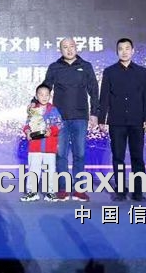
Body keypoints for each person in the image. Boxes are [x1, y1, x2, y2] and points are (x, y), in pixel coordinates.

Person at [43, 37, 99, 201]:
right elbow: (46, 87)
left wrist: (95, 113)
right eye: (65, 47)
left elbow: (94, 91)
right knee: (60, 154)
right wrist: (35, 103)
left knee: (79, 154)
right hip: (59, 118)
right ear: (60, 50)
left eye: (71, 46)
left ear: (76, 47)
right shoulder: (54, 67)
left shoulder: (86, 66)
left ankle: (79, 189)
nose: (69, 50)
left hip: (80, 117)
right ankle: (63, 188)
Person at [97, 38, 146, 202]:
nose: (124, 51)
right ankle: (120, 191)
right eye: (121, 49)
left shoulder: (142, 72)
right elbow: (104, 98)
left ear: (133, 51)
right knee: (118, 157)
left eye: (127, 48)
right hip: (117, 121)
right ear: (117, 52)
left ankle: (138, 192)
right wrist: (102, 119)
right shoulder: (109, 72)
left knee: (138, 157)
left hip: (137, 120)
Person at [20, 84, 63, 202]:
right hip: (35, 146)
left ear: (50, 96)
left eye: (46, 95)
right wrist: (28, 132)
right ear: (36, 96)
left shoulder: (54, 110)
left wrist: (51, 131)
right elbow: (27, 125)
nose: (44, 97)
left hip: (50, 147)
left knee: (50, 170)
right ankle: (32, 192)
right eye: (41, 94)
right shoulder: (33, 110)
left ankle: (50, 192)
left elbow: (59, 124)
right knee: (33, 170)